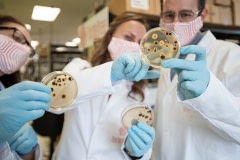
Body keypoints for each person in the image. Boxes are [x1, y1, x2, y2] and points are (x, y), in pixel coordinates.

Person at [51, 13, 160, 160]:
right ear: (110, 37)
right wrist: (111, 74)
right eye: (128, 37)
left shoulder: (140, 91)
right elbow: (54, 101)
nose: (134, 45)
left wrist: (135, 152)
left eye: (140, 42)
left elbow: (140, 146)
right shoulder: (79, 67)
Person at [152, 0, 240, 159]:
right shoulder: (165, 61)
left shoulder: (231, 56)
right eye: (169, 15)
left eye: (185, 15)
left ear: (202, 15)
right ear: (161, 17)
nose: (175, 23)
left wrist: (208, 92)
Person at [0, 15, 52, 160]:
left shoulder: (6, 90)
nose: (22, 49)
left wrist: (28, 151)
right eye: (17, 38)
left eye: (27, 47)